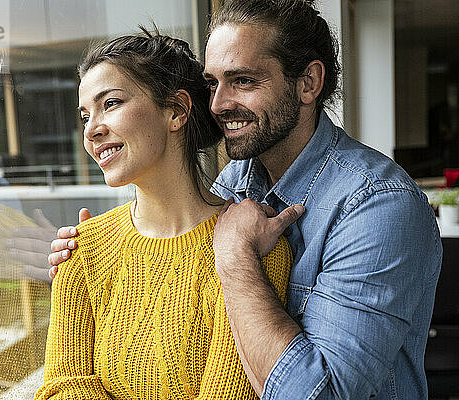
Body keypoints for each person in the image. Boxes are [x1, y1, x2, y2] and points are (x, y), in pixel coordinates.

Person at [49, 1, 443, 399]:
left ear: (308, 83)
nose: (218, 104)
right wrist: (99, 252)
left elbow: (321, 394)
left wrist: (236, 259)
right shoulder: (235, 180)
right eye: (212, 83)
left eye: (243, 81)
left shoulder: (378, 206)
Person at [34, 29, 296, 400]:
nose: (92, 129)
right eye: (85, 115)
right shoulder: (81, 250)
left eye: (110, 104)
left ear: (175, 111)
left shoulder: (251, 253)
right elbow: (60, 389)